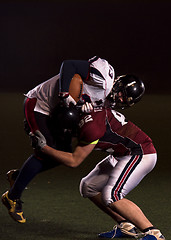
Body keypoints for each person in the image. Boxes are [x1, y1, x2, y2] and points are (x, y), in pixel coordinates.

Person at [30, 93, 165, 240]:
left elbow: (74, 161)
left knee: (112, 195)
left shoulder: (90, 127)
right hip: (121, 154)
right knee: (88, 186)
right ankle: (126, 226)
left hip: (140, 153)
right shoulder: (84, 113)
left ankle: (153, 233)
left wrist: (44, 148)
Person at [1, 56, 116, 223]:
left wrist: (82, 108)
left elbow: (81, 112)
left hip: (58, 113)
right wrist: (63, 93)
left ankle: (19, 176)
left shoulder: (106, 102)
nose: (118, 99)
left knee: (63, 154)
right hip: (38, 105)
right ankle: (12, 197)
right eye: (119, 94)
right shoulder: (102, 76)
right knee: (44, 149)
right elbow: (69, 65)